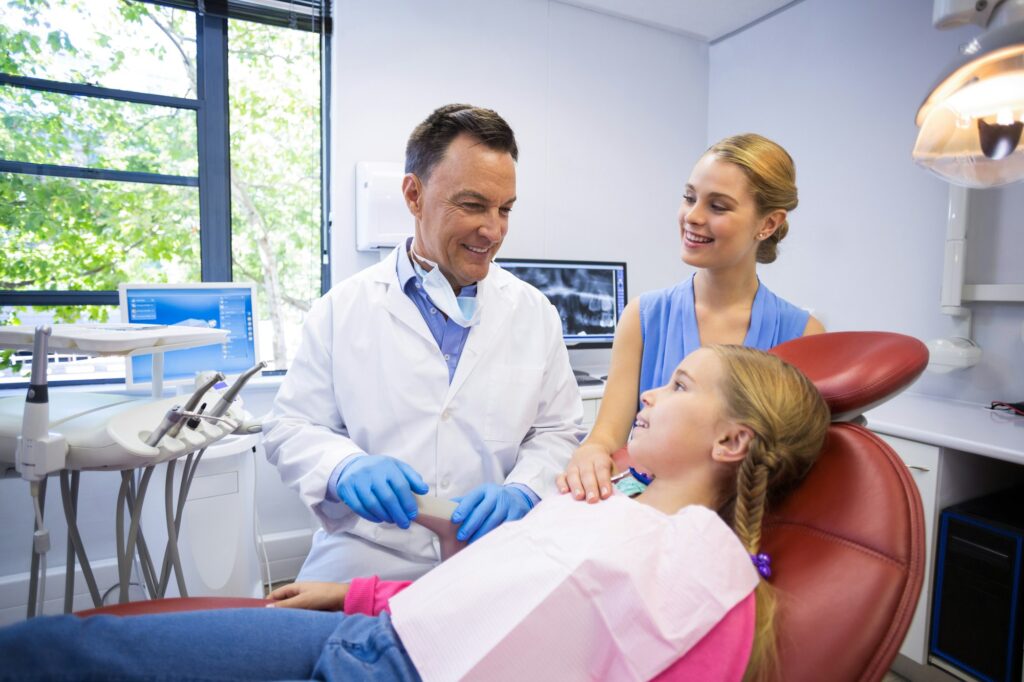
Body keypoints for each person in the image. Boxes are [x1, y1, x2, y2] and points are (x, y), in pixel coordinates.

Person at [0, 346, 830, 682]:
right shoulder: (610, 493)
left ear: (731, 440)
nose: (647, 392)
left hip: (401, 670)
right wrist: (352, 593)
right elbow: (491, 596)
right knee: (70, 647)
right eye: (474, 205)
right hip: (373, 631)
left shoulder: (706, 569)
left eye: (678, 386)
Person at [262, 104, 584, 583]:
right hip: (365, 553)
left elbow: (558, 432)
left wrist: (524, 490)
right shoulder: (341, 309)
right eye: (473, 205)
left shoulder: (533, 312)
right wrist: (343, 467)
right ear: (414, 194)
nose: (493, 230)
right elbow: (291, 426)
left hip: (490, 554)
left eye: (505, 209)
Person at [559, 133, 825, 503]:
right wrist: (590, 453)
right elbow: (608, 434)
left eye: (718, 206)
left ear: (767, 224)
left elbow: (795, 469)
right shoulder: (644, 317)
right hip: (649, 520)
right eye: (689, 198)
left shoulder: (803, 334)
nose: (693, 217)